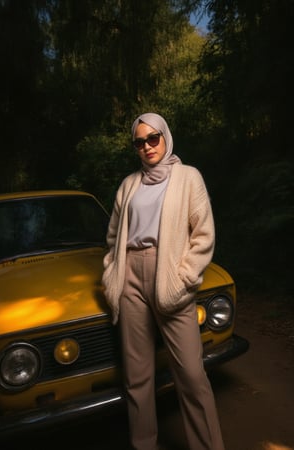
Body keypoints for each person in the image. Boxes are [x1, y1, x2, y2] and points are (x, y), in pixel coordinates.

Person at [102, 112, 225, 450]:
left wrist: (184, 277)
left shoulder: (188, 177)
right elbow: (113, 238)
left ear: (165, 136)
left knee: (191, 375)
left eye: (152, 138)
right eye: (139, 142)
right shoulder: (129, 184)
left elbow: (203, 236)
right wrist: (113, 271)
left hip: (169, 275)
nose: (147, 146)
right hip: (131, 277)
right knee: (137, 377)